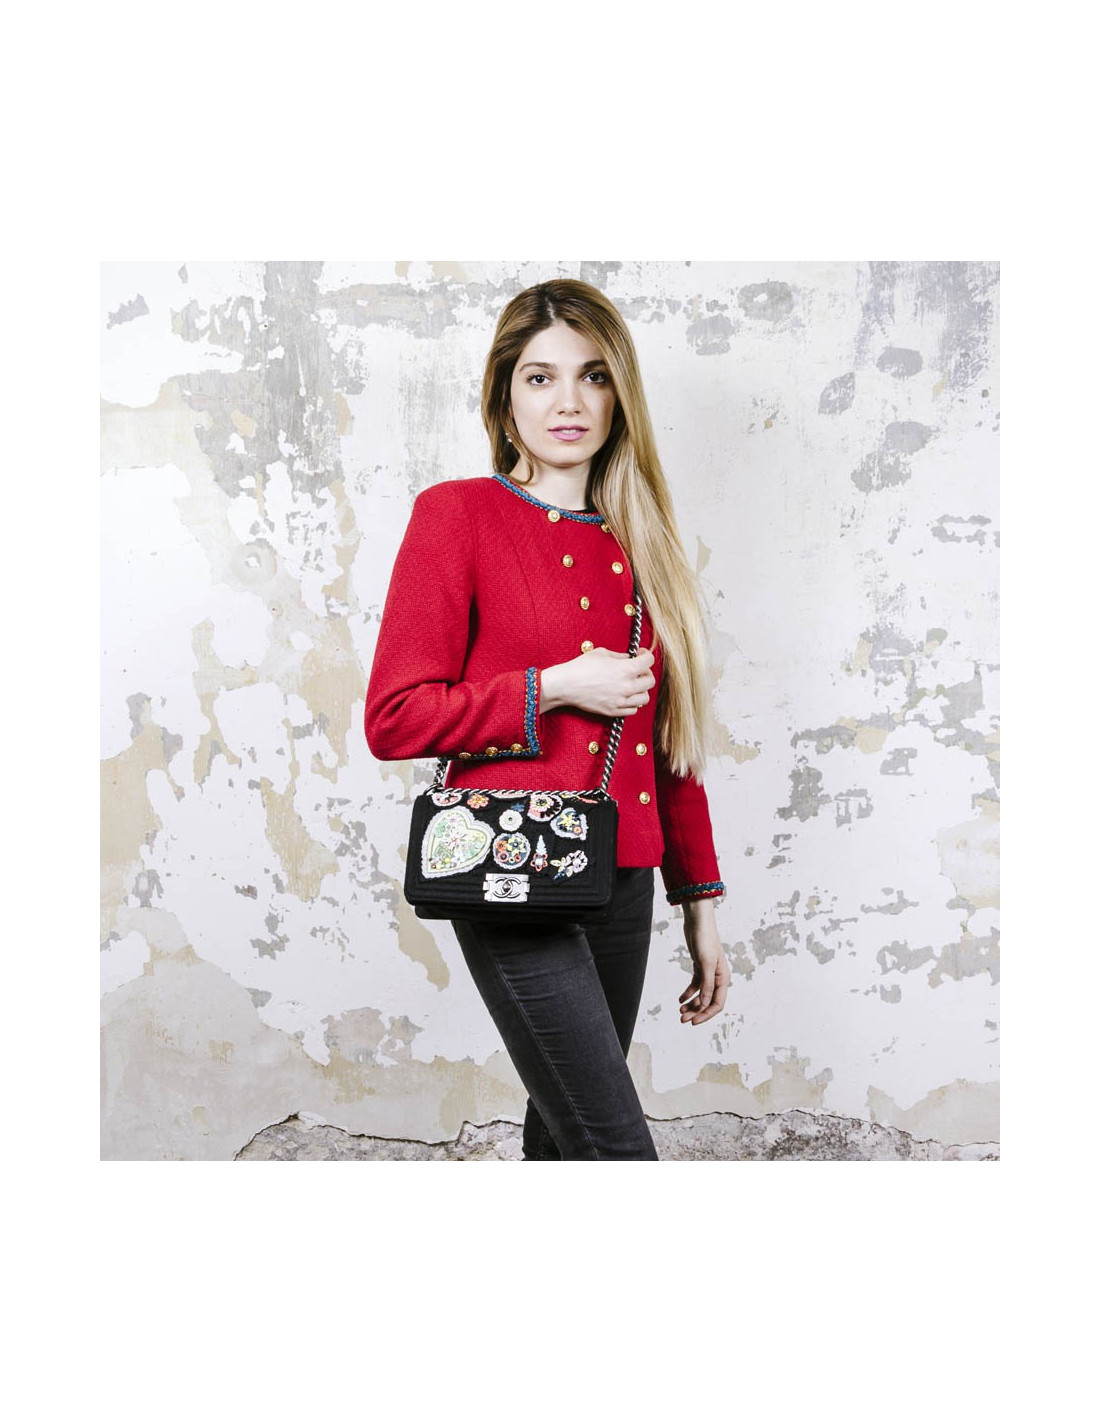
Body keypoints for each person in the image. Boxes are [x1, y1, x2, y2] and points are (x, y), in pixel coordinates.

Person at [364, 278, 729, 1161]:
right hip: (510, 871)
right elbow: (395, 717)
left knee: (566, 1141)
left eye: (593, 376)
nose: (569, 401)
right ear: (505, 396)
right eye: (540, 377)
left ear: (620, 396)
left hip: (624, 879)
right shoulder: (457, 515)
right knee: (615, 1148)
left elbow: (667, 742)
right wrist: (553, 688)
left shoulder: (644, 542)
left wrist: (699, 901)